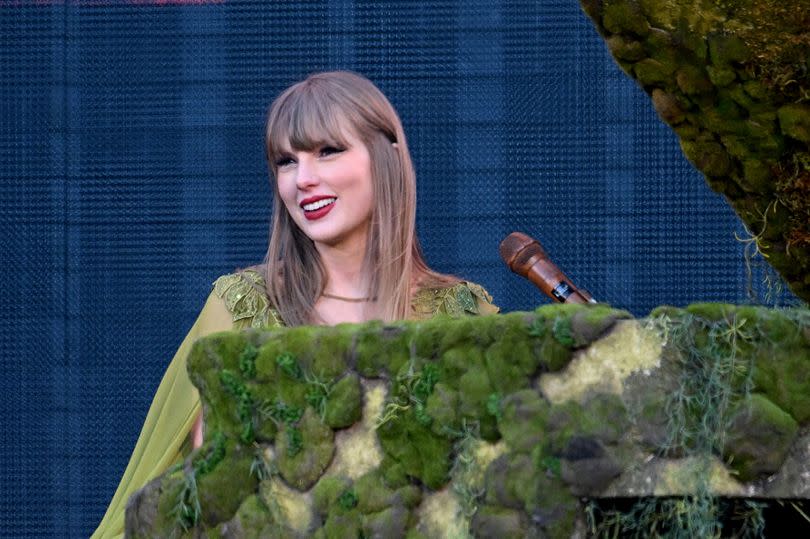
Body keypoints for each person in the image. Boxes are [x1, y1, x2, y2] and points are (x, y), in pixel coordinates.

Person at [91, 70, 497, 538]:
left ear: (388, 157)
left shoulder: (463, 316)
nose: (303, 179)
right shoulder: (243, 307)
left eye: (327, 151)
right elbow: (212, 495)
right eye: (286, 161)